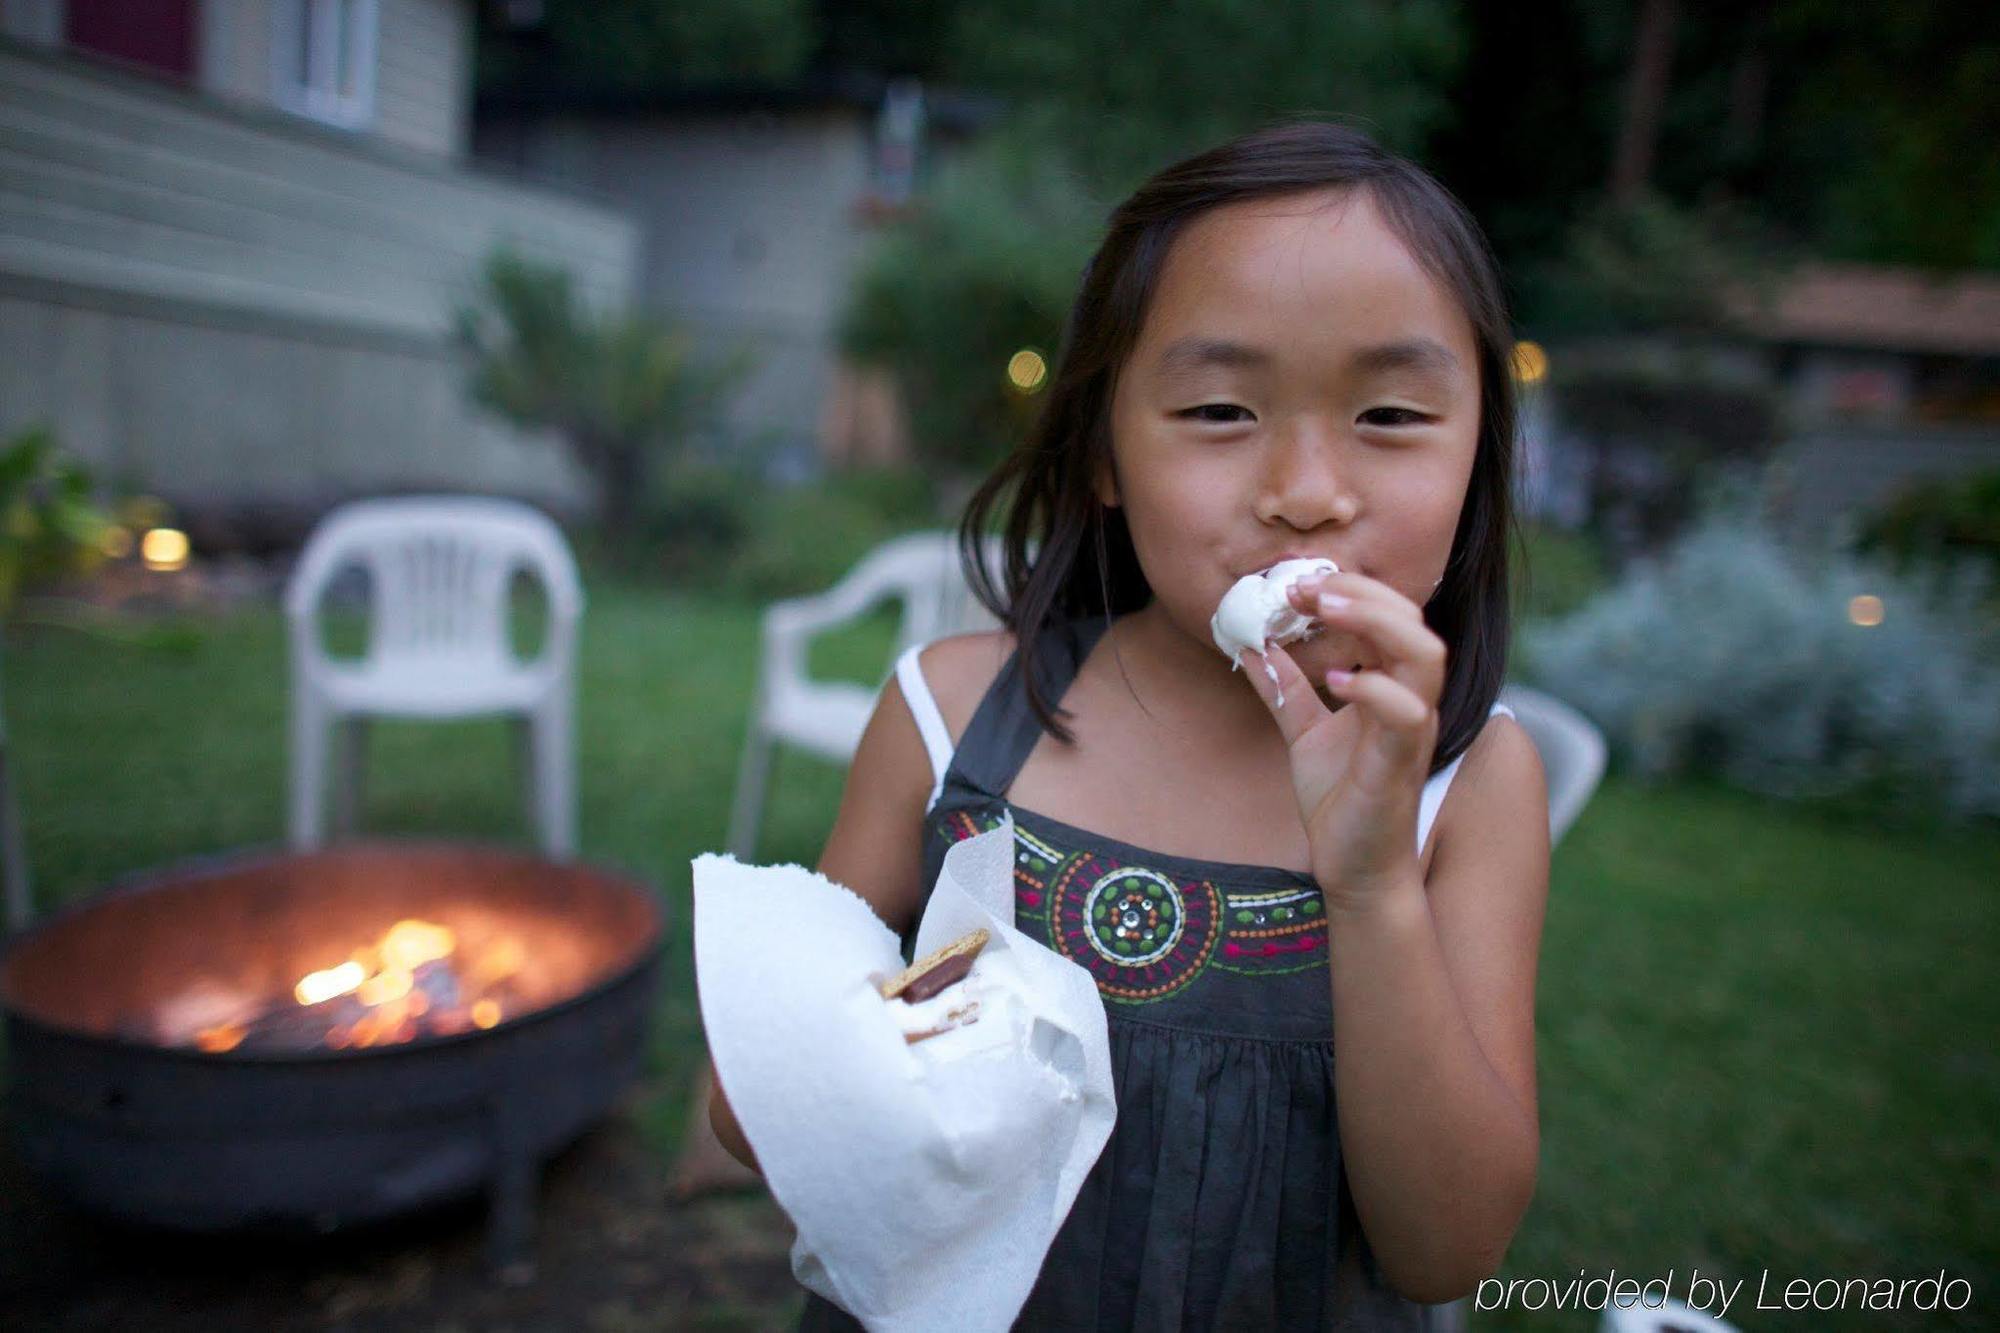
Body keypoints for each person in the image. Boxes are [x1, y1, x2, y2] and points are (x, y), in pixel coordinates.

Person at [712, 118, 1551, 1330]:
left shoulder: (1468, 788)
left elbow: (1444, 1249)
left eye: (1389, 417)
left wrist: (1370, 885)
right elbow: (755, 1104)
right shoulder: (949, 717)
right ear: (1104, 448)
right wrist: (825, 1068)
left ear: (1479, 451)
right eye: (1219, 410)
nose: (1306, 494)